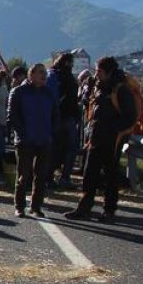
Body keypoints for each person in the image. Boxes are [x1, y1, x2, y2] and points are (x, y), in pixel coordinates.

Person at [66, 57, 136, 223]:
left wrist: (112, 129)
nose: (96, 73)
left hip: (112, 141)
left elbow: (130, 117)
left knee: (110, 177)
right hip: (95, 138)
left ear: (108, 72)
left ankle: (109, 211)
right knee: (89, 174)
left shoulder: (120, 90)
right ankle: (84, 208)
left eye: (99, 70)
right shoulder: (98, 87)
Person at [8, 63, 57, 217]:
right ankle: (20, 206)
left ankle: (36, 206)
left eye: (45, 73)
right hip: (25, 141)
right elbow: (12, 116)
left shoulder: (49, 93)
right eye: (41, 73)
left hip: (44, 139)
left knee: (41, 176)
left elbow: (56, 115)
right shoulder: (19, 92)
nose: (44, 76)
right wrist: (22, 133)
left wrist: (52, 133)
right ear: (31, 74)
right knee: (23, 175)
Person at [46, 53, 81, 188]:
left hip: (56, 117)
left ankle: (49, 177)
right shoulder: (67, 77)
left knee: (55, 148)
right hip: (66, 117)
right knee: (71, 149)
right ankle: (64, 178)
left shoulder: (52, 75)